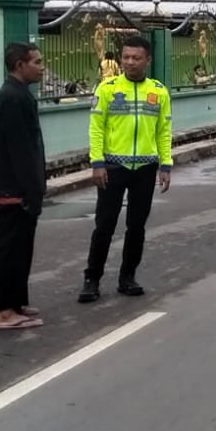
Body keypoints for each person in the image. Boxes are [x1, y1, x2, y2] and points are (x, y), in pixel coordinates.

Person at [79, 33, 173, 303]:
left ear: (148, 60)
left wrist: (166, 165)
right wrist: (97, 163)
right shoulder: (107, 89)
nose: (130, 62)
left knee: (136, 226)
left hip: (145, 168)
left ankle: (127, 277)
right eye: (126, 57)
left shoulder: (159, 91)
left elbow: (164, 130)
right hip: (112, 167)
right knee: (104, 225)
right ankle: (92, 279)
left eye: (136, 58)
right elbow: (96, 128)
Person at [0, 43, 47, 331]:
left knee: (21, 250)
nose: (42, 67)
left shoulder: (20, 94)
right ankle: (4, 311)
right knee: (9, 251)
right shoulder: (12, 98)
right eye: (37, 62)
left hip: (19, 189)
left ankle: (14, 303)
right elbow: (20, 151)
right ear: (19, 65)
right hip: (13, 191)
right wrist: (32, 190)